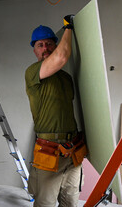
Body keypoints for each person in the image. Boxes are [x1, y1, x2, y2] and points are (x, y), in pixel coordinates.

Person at [25, 16, 87, 207]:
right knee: (45, 203)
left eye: (49, 44)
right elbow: (60, 57)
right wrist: (68, 27)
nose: (45, 49)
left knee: (71, 200)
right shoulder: (33, 72)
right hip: (49, 150)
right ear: (34, 50)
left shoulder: (67, 78)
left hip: (73, 149)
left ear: (55, 45)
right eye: (40, 45)